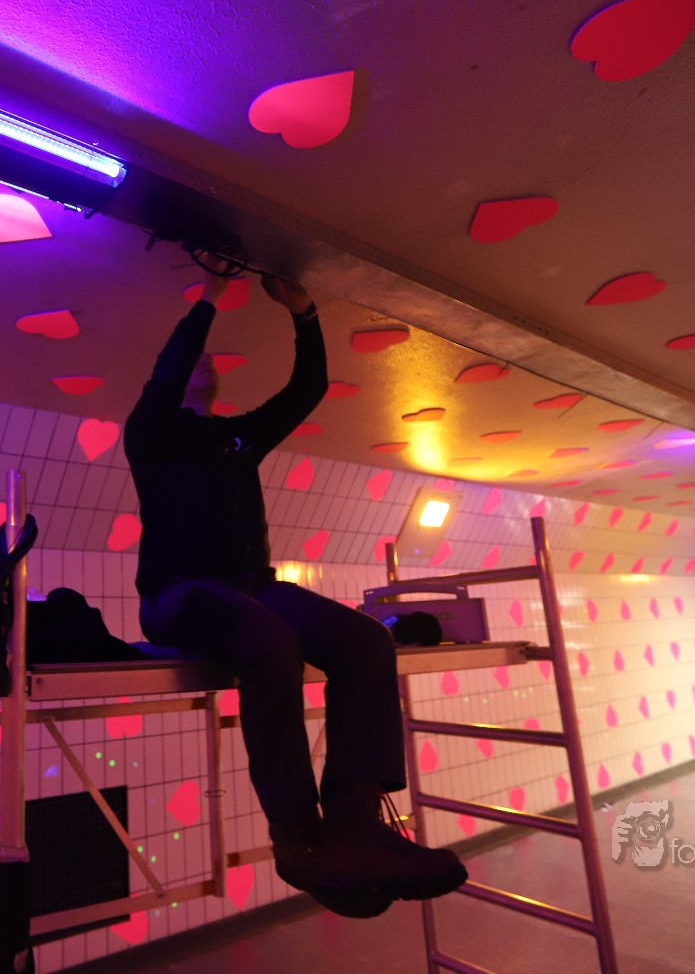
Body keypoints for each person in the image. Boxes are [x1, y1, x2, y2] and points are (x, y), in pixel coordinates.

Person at [123, 253, 467, 917]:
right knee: (268, 640)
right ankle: (298, 838)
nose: (202, 362)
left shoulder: (237, 439)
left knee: (367, 643)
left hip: (252, 588)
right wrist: (210, 295)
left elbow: (308, 390)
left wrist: (304, 313)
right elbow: (167, 374)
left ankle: (354, 823)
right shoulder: (150, 436)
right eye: (190, 360)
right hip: (177, 595)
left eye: (207, 359)